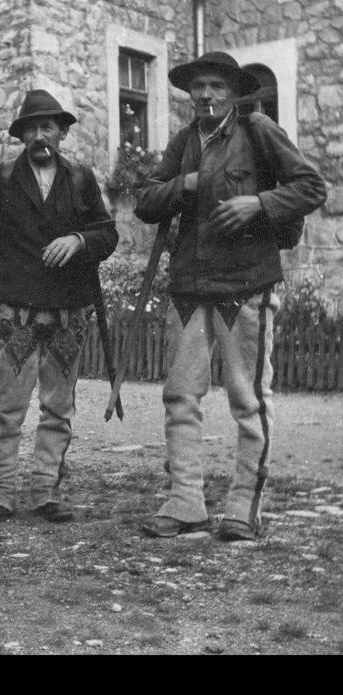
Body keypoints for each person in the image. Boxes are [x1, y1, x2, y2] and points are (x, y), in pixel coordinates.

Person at [135, 51, 327, 541]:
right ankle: (186, 500)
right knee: (180, 396)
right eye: (198, 86)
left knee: (249, 400)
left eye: (217, 86)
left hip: (246, 285)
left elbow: (311, 186)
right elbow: (146, 202)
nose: (206, 95)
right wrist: (189, 183)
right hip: (190, 288)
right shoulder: (182, 142)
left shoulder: (258, 131)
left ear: (232, 93)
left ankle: (244, 505)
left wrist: (258, 203)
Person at [0, 90, 118, 524]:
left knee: (58, 407)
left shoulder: (81, 178)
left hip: (68, 314)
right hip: (16, 313)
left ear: (63, 132)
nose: (40, 136)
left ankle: (46, 489)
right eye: (32, 128)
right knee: (7, 408)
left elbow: (107, 233)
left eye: (48, 127)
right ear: (22, 135)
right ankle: (1, 492)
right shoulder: (1, 178)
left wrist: (80, 240)